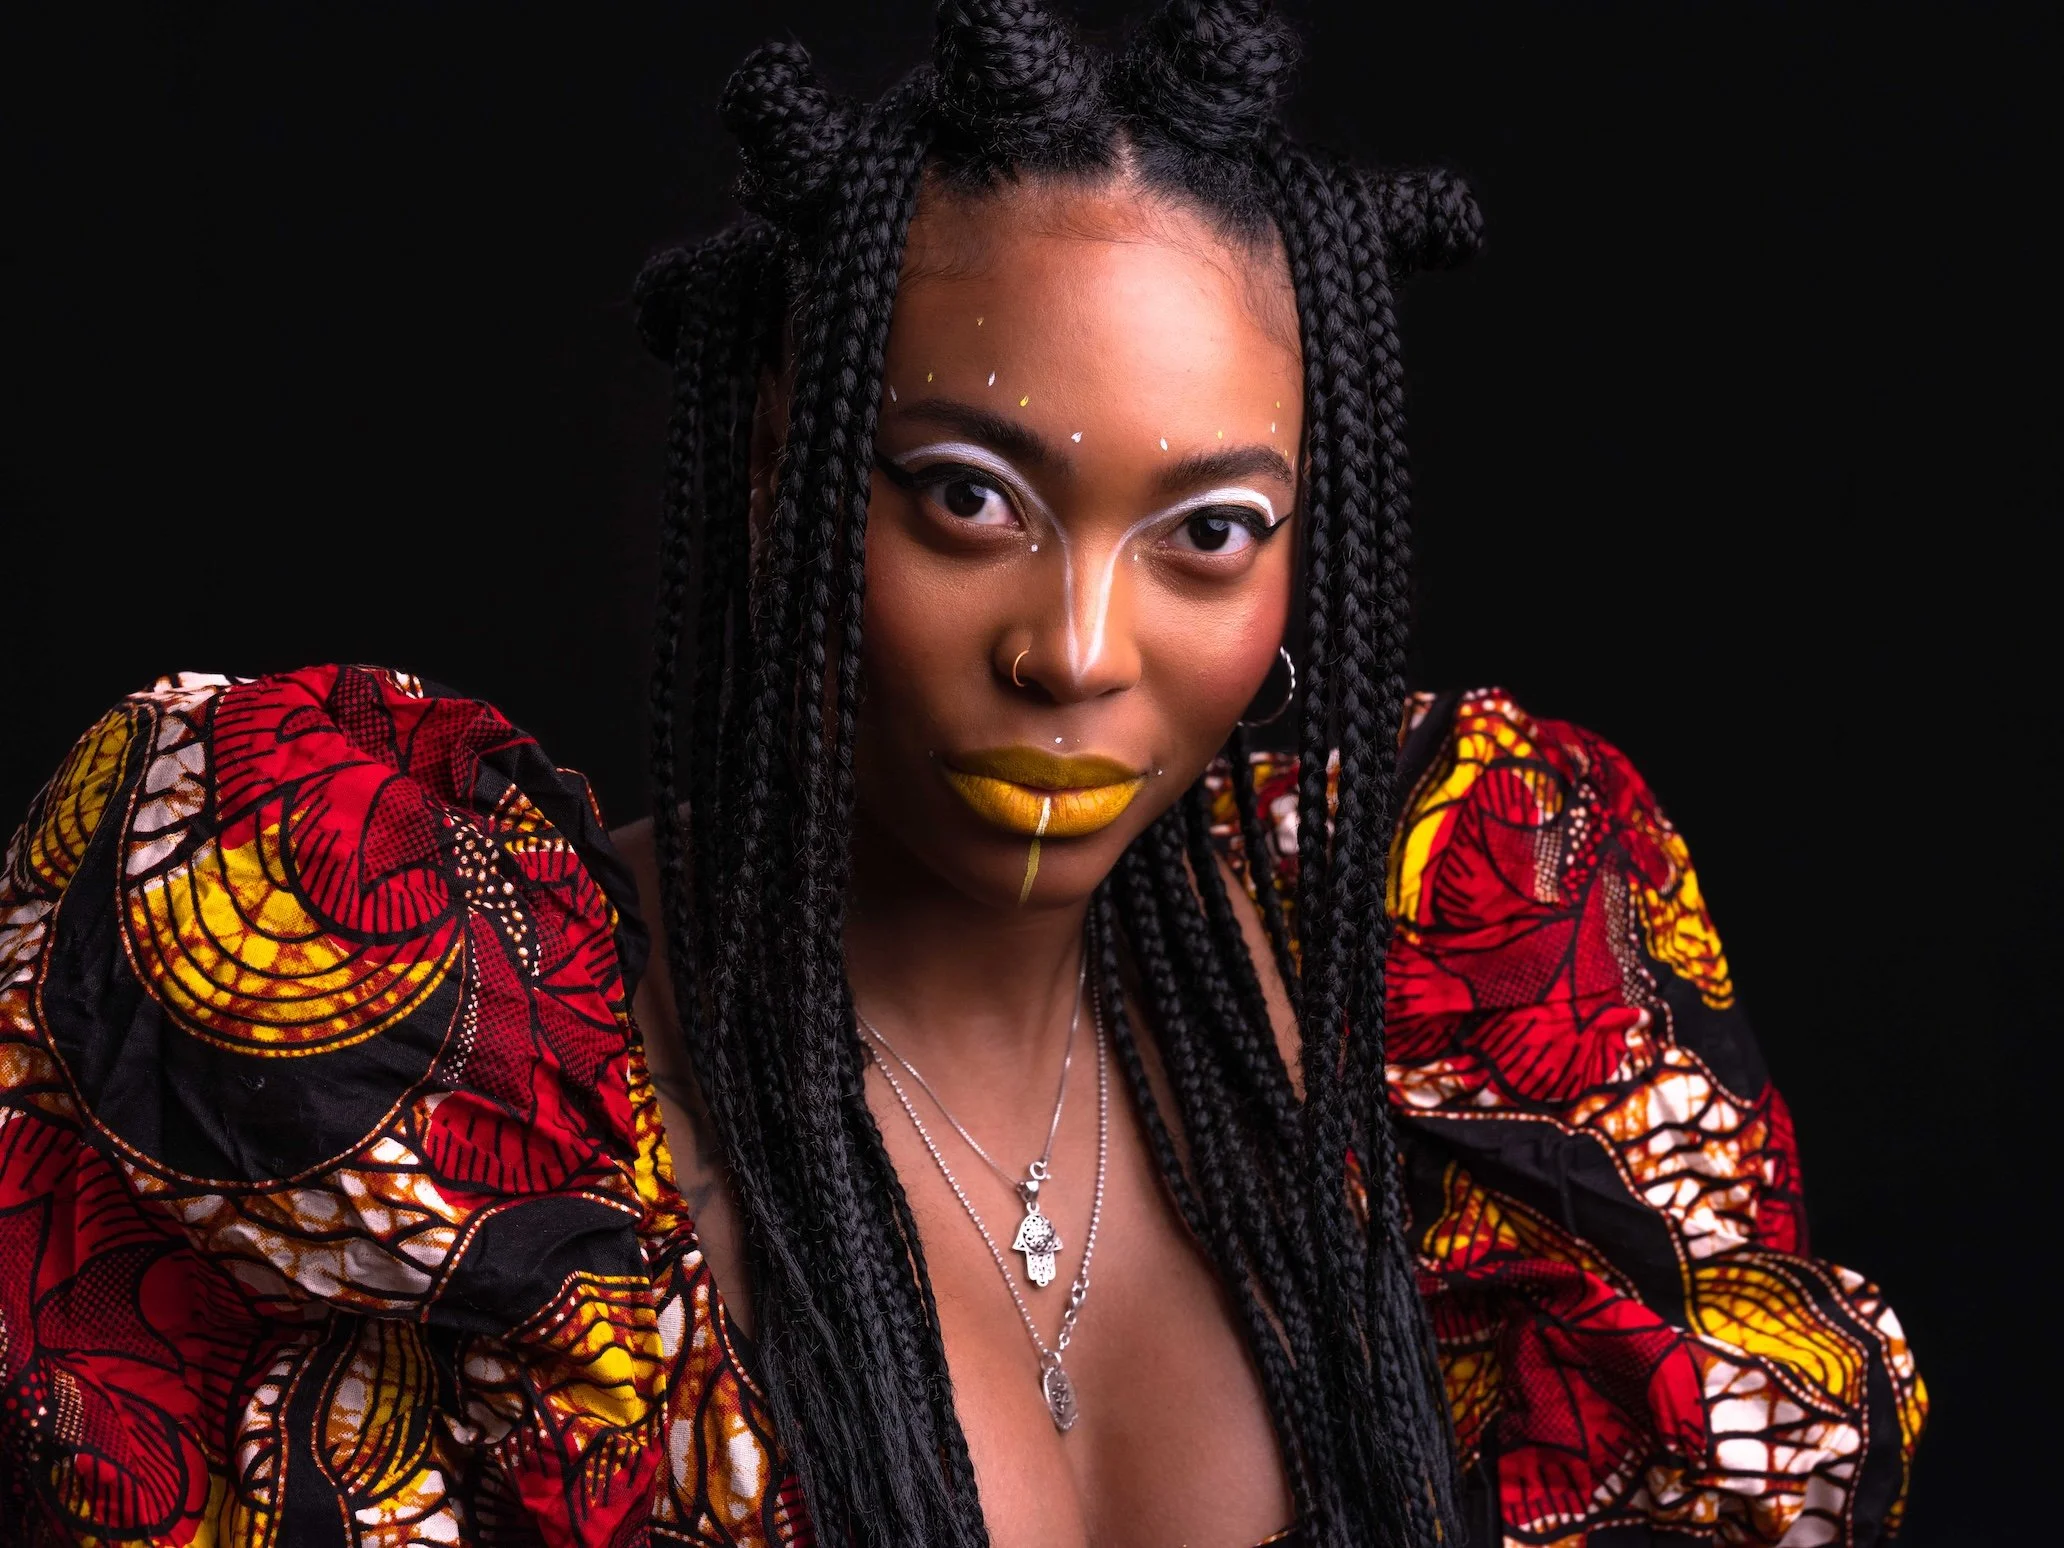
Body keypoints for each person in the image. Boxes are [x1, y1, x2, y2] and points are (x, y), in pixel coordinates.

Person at [0, 3, 1925, 1544]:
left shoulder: (1456, 1011)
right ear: (775, 478)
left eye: (1210, 533)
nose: (1078, 648)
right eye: (968, 500)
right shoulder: (449, 1063)